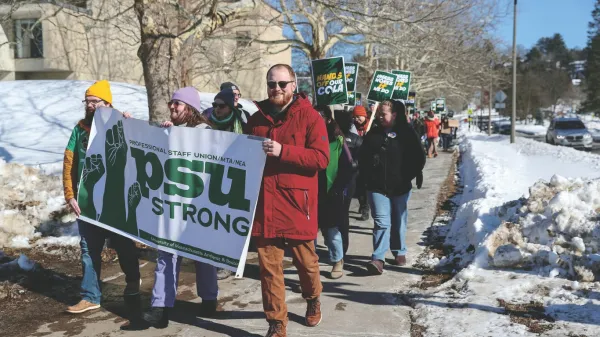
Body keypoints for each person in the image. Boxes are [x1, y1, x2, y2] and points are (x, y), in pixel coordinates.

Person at [246, 64, 329, 337]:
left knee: (306, 264)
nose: (277, 89)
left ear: (293, 84)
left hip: (297, 204)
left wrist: (284, 151)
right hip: (265, 205)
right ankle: (276, 322)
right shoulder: (255, 119)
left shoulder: (310, 117)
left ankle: (313, 297)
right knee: (269, 270)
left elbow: (320, 158)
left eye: (282, 83)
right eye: (272, 84)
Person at [63, 81, 141, 320]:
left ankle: (133, 283)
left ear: (107, 103)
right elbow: (69, 164)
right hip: (88, 203)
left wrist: (131, 126)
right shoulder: (79, 130)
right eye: (87, 102)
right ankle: (90, 296)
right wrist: (70, 194)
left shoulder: (123, 124)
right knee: (88, 249)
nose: (90, 106)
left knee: (124, 245)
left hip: (116, 201)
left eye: (94, 101)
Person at [142, 87, 217, 329]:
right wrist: (163, 137)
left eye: (178, 103)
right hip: (172, 207)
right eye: (172, 103)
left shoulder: (206, 132)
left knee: (203, 256)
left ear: (191, 108)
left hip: (197, 208)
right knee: (166, 255)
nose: (172, 107)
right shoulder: (169, 130)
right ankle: (160, 308)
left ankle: (209, 298)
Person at [358, 100, 426, 275]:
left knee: (398, 220)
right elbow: (362, 158)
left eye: (384, 114)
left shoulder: (407, 133)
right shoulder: (372, 134)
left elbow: (418, 156)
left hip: (400, 186)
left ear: (394, 115)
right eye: (378, 114)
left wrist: (409, 175)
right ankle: (378, 258)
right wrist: (367, 175)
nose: (380, 117)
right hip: (376, 187)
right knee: (381, 221)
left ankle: (399, 250)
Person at [314, 105, 355, 279]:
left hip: (330, 192)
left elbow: (348, 167)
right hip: (309, 192)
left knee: (331, 231)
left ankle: (337, 260)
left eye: (319, 117)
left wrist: (338, 189)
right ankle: (310, 269)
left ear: (328, 119)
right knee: (308, 236)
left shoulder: (338, 141)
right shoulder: (305, 138)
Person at [352, 105, 370, 221]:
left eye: (359, 117)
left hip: (369, 161)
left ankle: (365, 206)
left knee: (367, 186)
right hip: (357, 160)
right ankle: (364, 206)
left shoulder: (372, 125)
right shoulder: (352, 128)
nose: (357, 119)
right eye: (355, 117)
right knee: (359, 186)